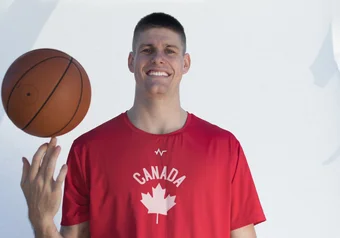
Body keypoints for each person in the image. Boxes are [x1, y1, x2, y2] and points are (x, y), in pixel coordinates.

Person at [20, 12, 266, 238]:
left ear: (185, 63)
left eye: (170, 51)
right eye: (147, 50)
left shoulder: (223, 147)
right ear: (131, 61)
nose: (158, 58)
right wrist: (41, 221)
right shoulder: (89, 149)